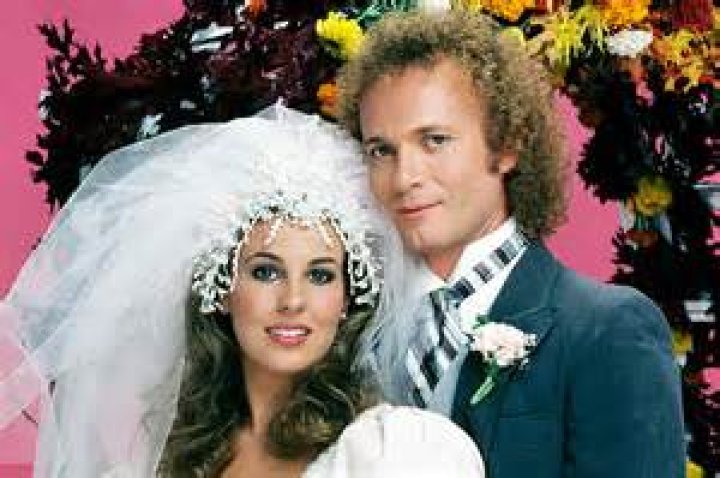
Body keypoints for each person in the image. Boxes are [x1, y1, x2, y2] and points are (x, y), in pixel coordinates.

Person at [0, 104, 485, 477]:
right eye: (266, 272)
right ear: (222, 290)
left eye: (320, 276)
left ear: (346, 300)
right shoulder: (171, 456)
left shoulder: (395, 453)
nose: (293, 301)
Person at [337, 10, 685, 478]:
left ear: (506, 146)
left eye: (434, 140)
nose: (404, 177)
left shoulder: (606, 329)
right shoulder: (351, 332)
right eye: (381, 150)